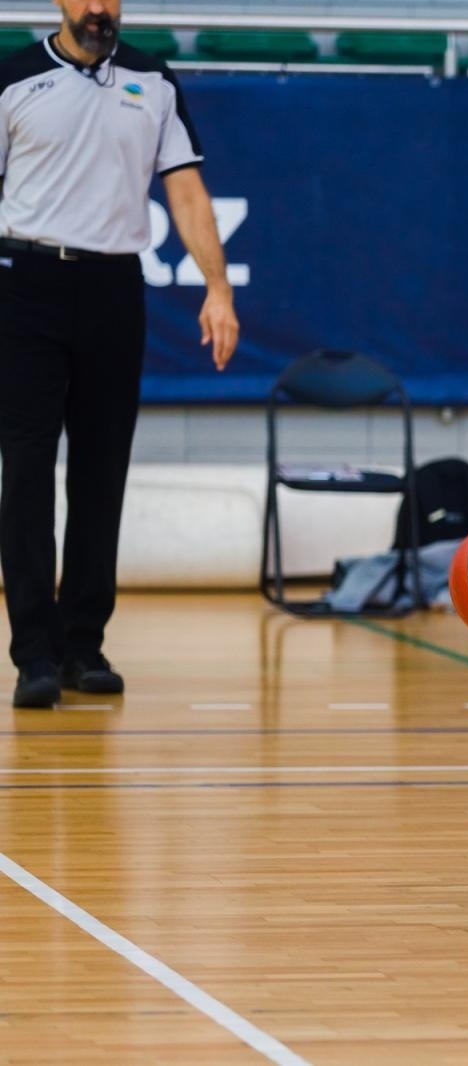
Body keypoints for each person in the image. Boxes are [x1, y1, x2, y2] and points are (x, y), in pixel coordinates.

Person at [0, 0, 239, 709]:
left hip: (112, 286)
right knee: (28, 470)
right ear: (60, 3)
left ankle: (84, 645)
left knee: (102, 473)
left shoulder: (153, 79)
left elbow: (187, 191)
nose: (101, 8)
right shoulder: (12, 79)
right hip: (26, 283)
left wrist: (218, 287)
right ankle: (34, 654)